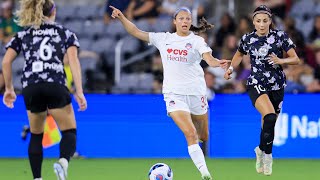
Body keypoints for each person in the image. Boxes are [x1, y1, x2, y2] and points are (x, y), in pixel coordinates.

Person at [110, 5, 229, 180]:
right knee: (190, 133)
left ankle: (201, 156)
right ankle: (205, 174)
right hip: (174, 94)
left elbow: (209, 59)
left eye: (188, 18)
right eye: (181, 18)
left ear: (191, 22)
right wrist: (121, 18)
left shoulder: (197, 41)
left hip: (196, 93)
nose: (185, 21)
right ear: (174, 21)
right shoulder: (163, 39)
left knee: (204, 136)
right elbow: (136, 31)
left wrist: (218, 63)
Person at [1, 0, 87, 180]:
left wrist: (9, 89)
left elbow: (6, 61)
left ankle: (37, 178)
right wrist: (79, 91)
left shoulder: (23, 34)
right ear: (53, 12)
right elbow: (73, 61)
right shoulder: (65, 33)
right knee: (69, 131)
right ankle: (63, 162)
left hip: (31, 86)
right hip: (55, 83)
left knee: (36, 134)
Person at [224, 5, 299, 176]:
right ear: (253, 22)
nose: (262, 24)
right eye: (258, 21)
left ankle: (260, 150)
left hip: (277, 85)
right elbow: (238, 54)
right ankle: (268, 156)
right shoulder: (247, 39)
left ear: (270, 21)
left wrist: (280, 60)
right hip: (256, 82)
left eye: (265, 21)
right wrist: (230, 69)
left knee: (269, 124)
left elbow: (295, 59)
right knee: (270, 116)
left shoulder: (280, 36)